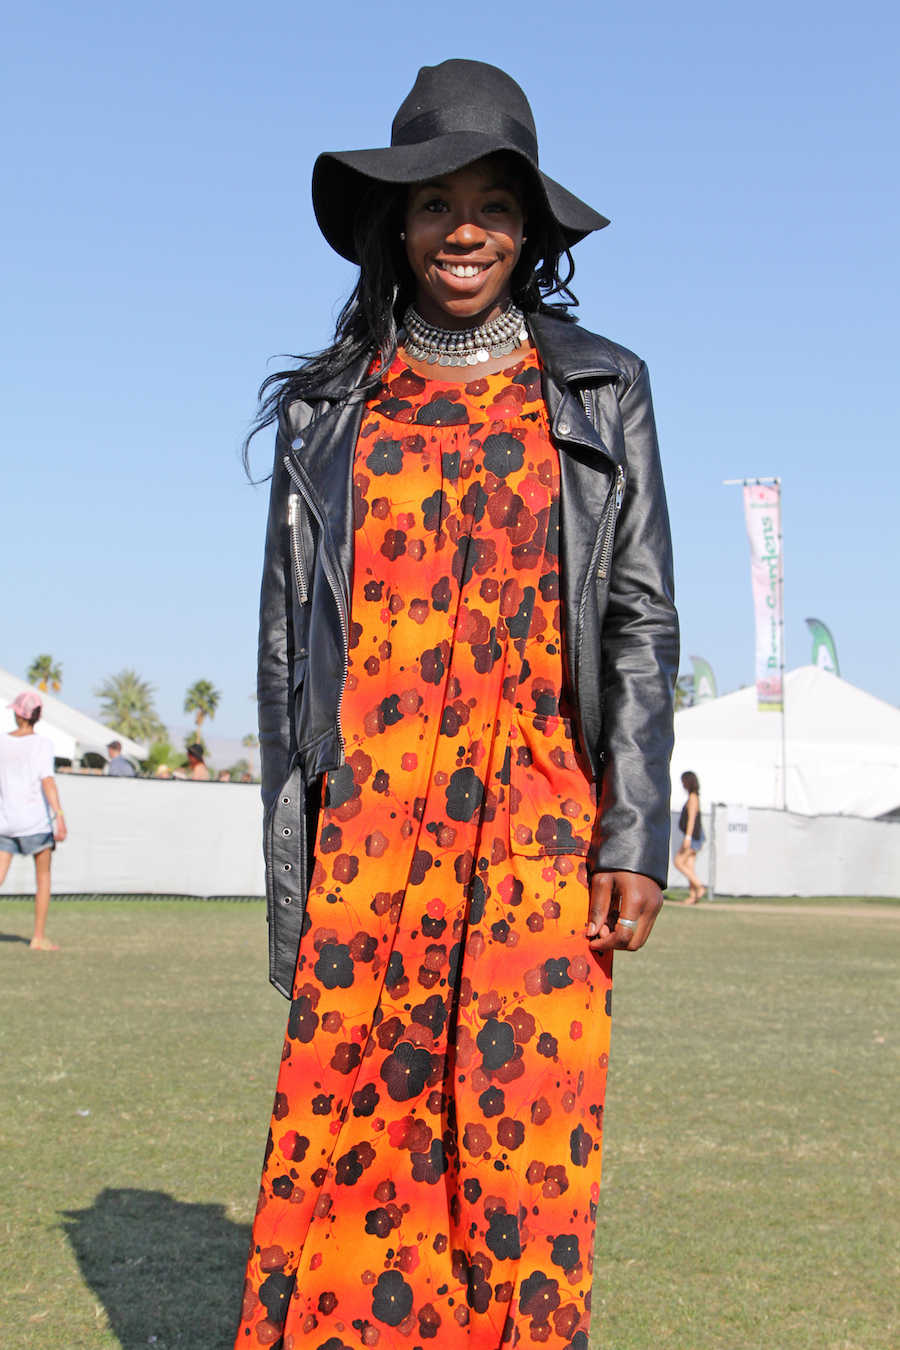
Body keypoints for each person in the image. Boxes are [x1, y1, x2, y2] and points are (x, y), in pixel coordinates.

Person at [236, 60, 678, 1349]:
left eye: (492, 203)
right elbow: (281, 648)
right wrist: (298, 847)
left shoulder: (601, 386)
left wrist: (635, 834)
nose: (465, 229)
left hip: (542, 815)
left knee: (523, 1122)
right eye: (436, 205)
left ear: (529, 228)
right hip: (371, 824)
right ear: (398, 226)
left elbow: (637, 619)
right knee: (358, 1121)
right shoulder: (331, 412)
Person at [0, 691, 67, 950]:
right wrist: (59, 817)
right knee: (43, 878)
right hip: (36, 823)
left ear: (18, 713)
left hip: (6, 823)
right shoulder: (43, 744)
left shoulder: (2, 742)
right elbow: (47, 781)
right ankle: (38, 937)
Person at [673, 770, 706, 903]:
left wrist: (688, 838)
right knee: (689, 866)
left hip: (693, 836)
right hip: (696, 836)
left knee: (679, 862)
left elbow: (692, 818)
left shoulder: (693, 797)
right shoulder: (693, 797)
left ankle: (699, 887)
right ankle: (693, 896)